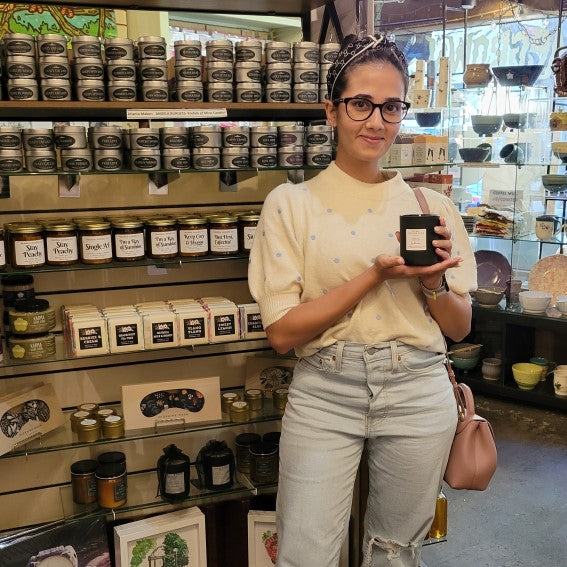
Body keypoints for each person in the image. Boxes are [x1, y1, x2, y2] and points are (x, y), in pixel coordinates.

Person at [248, 34, 477, 567]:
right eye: (360, 104)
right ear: (331, 110)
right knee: (305, 553)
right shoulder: (291, 204)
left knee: (395, 553)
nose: (376, 121)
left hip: (418, 387)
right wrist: (375, 273)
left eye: (392, 106)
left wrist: (432, 284)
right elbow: (282, 332)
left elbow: (461, 327)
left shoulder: (431, 204)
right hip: (325, 390)